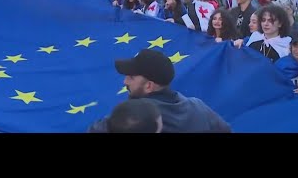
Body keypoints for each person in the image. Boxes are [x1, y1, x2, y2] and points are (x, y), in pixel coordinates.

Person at [88, 49, 231, 133]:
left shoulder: (135, 117)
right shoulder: (198, 107)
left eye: (131, 77)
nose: (125, 81)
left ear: (149, 85)